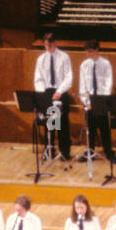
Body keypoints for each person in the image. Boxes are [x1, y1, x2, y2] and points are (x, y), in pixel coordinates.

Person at [33, 32, 73, 160]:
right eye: (46, 45)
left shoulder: (64, 57)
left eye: (50, 45)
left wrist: (60, 91)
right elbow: (38, 78)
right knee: (50, 123)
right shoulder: (41, 59)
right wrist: (43, 93)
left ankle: (65, 151)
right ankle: (50, 150)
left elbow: (68, 76)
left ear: (54, 43)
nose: (48, 48)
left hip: (60, 92)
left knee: (62, 124)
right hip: (48, 93)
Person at [78, 39, 116, 162]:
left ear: (97, 50)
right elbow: (82, 86)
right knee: (91, 128)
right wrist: (87, 102)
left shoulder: (105, 64)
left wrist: (101, 101)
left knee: (104, 128)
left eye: (90, 51)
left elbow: (108, 83)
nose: (88, 54)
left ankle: (109, 152)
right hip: (89, 100)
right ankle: (90, 151)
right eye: (87, 52)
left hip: (101, 99)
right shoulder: (84, 65)